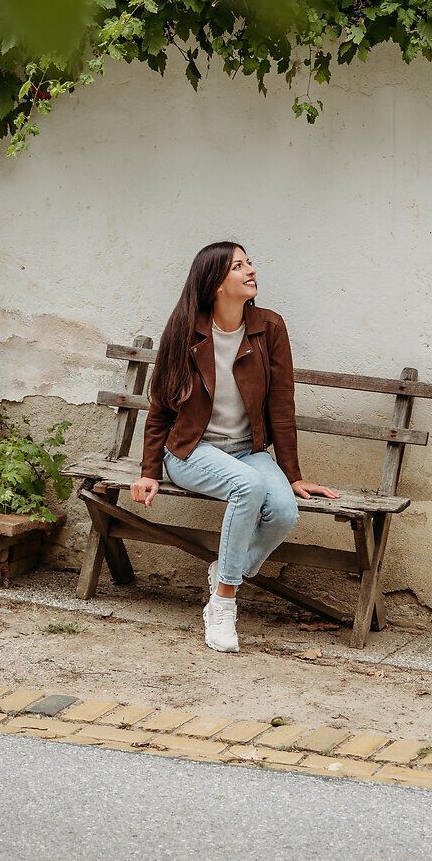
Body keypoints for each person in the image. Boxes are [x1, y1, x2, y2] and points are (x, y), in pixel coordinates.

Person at [134, 242, 337, 652]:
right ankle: (223, 603)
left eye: (249, 263)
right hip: (192, 451)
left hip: (247, 450)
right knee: (248, 486)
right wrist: (149, 471)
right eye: (238, 266)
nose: (251, 271)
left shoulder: (269, 327)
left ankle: (226, 570)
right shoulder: (185, 330)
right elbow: (161, 407)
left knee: (284, 511)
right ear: (215, 283)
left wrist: (293, 475)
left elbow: (281, 403)